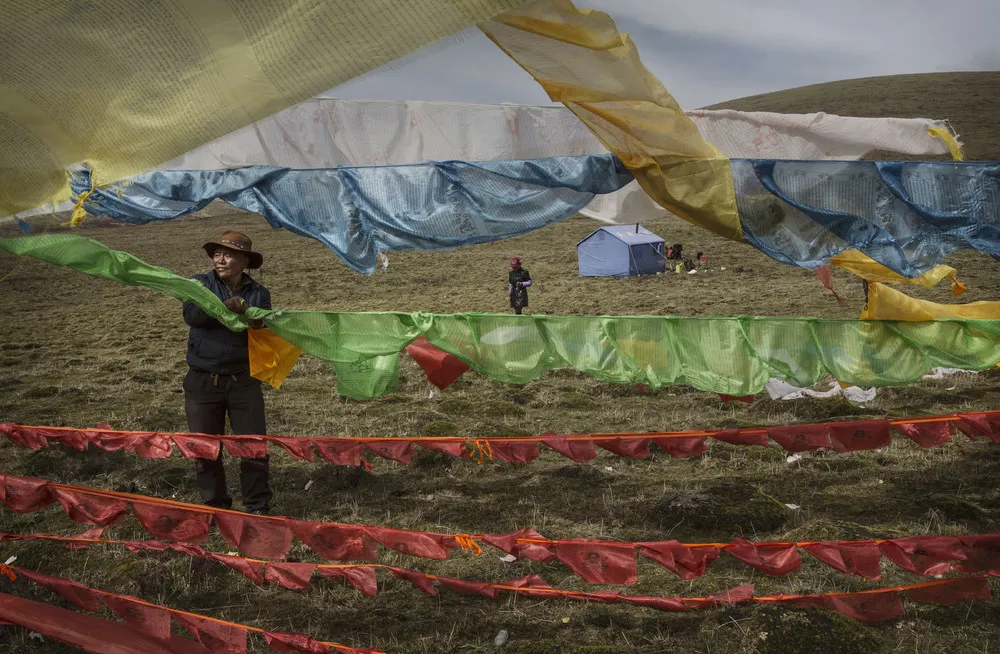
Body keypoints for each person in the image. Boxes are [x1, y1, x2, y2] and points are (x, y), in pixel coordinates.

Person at [182, 230, 273, 515]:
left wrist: (260, 325)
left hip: (243, 382)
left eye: (228, 254)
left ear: (244, 260)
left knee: (253, 447)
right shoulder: (198, 284)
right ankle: (215, 507)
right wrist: (224, 308)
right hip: (202, 381)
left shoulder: (259, 293)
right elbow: (192, 316)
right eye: (217, 254)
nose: (220, 260)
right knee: (206, 450)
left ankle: (257, 507)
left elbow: (263, 332)